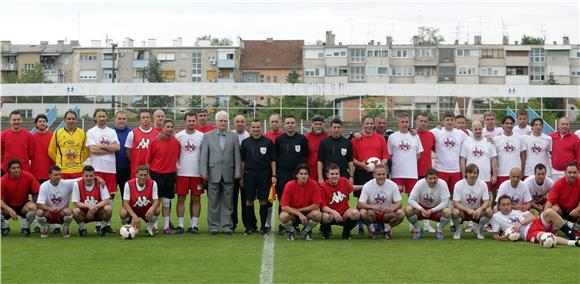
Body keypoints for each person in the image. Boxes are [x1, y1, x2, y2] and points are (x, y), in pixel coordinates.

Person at [200, 111, 241, 235]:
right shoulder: (207, 136)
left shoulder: (233, 136)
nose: (223, 123)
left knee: (228, 202)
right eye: (221, 121)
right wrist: (203, 171)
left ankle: (227, 226)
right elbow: (204, 155)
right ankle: (213, 226)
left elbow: (237, 156)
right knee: (213, 202)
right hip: (213, 173)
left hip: (229, 173)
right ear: (216, 122)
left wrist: (238, 171)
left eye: (225, 121)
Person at [491, 195, 580, 247]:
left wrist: (520, 223)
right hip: (528, 232)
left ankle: (573, 236)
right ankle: (575, 243)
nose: (506, 207)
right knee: (546, 237)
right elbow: (494, 235)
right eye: (503, 205)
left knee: (549, 212)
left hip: (536, 223)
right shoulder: (496, 217)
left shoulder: (517, 211)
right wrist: (501, 238)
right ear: (498, 206)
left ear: (511, 205)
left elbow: (533, 217)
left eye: (508, 204)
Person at [351, 115, 389, 235]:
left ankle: (379, 225)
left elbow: (385, 156)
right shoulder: (355, 139)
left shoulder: (380, 138)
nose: (369, 126)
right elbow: (351, 158)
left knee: (380, 198)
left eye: (371, 123)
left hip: (378, 174)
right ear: (362, 125)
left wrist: (379, 168)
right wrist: (362, 165)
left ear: (374, 124)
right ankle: (362, 226)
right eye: (366, 123)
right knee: (361, 200)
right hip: (361, 172)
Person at [85, 108, 119, 234]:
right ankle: (98, 224)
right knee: (98, 196)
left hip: (111, 168)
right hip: (98, 168)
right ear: (95, 118)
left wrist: (101, 146)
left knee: (110, 195)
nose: (102, 118)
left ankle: (106, 224)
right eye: (99, 116)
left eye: (104, 116)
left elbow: (117, 147)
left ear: (107, 117)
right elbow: (93, 150)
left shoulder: (112, 131)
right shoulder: (91, 132)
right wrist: (109, 149)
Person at [240, 119, 275, 235]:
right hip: (249, 174)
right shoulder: (245, 142)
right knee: (249, 200)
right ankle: (250, 227)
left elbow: (272, 160)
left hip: (264, 174)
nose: (256, 129)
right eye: (253, 127)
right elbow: (243, 161)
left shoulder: (268, 142)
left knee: (263, 200)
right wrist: (241, 177)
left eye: (258, 127)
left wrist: (274, 174)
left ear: (261, 128)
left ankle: (263, 227)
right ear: (250, 128)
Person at [274, 115, 308, 233]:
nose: (290, 125)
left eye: (292, 123)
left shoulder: (302, 139)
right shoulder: (279, 140)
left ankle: (296, 224)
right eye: (288, 123)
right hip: (283, 174)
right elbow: (276, 157)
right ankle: (283, 225)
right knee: (283, 200)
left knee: (297, 200)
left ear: (296, 124)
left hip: (297, 175)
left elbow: (305, 156)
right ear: (284, 125)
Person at [147, 119, 180, 235]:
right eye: (167, 127)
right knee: (156, 203)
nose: (170, 129)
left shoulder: (177, 143)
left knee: (166, 203)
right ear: (162, 128)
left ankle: (166, 227)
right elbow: (148, 161)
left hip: (170, 175)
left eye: (172, 127)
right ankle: (154, 226)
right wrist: (149, 177)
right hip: (156, 174)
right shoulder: (155, 141)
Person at [175, 112, 204, 234]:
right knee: (181, 199)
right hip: (182, 173)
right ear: (185, 121)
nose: (191, 123)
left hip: (197, 174)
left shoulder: (202, 136)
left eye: (193, 121)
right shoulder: (178, 136)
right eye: (189, 121)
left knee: (196, 199)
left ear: (196, 121)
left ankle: (194, 225)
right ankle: (180, 225)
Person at [358, 164, 404, 239]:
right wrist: (372, 207)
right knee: (362, 212)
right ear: (374, 175)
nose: (382, 176)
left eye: (383, 174)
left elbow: (400, 202)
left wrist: (391, 209)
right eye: (379, 174)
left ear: (387, 174)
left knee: (401, 214)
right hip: (372, 214)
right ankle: (371, 229)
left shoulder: (392, 185)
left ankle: (387, 230)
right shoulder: (368, 185)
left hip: (387, 214)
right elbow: (360, 204)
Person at [279, 164, 323, 241]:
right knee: (283, 216)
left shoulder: (314, 184)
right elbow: (284, 206)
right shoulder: (289, 185)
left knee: (318, 214)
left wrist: (300, 211)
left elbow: (316, 205)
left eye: (306, 174)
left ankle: (306, 231)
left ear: (309, 175)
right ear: (297, 175)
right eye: (301, 174)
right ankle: (291, 231)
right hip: (293, 214)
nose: (303, 176)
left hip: (307, 214)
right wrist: (298, 214)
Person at [405, 168, 452, 240]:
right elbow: (410, 200)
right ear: (425, 178)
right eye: (430, 178)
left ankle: (439, 230)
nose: (432, 181)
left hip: (436, 210)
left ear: (438, 177)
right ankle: (418, 229)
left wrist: (432, 210)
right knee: (408, 209)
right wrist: (421, 209)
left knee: (448, 212)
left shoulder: (443, 184)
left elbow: (445, 203)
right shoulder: (420, 183)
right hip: (422, 209)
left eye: (434, 178)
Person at [451, 164, 493, 240]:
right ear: (466, 173)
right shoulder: (459, 184)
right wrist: (467, 210)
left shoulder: (483, 184)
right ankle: (458, 230)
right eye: (470, 172)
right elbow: (456, 203)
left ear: (477, 174)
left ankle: (478, 229)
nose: (472, 175)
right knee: (454, 212)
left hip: (477, 212)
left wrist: (479, 210)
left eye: (474, 173)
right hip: (463, 212)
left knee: (489, 211)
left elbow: (486, 201)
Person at [319, 163, 361, 240]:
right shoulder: (322, 186)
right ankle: (326, 233)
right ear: (327, 175)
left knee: (356, 213)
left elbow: (352, 187)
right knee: (325, 217)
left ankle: (346, 232)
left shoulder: (344, 181)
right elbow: (322, 206)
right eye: (332, 174)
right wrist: (334, 212)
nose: (335, 176)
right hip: (330, 214)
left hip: (344, 213)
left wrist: (365, 186)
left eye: (336, 174)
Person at [35, 165, 78, 238]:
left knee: (69, 211)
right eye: (55, 175)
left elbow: (83, 179)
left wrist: (97, 178)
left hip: (62, 213)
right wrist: (49, 209)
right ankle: (46, 227)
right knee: (39, 212)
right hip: (49, 213)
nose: (58, 177)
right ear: (49, 175)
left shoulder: (66, 183)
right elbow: (39, 204)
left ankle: (66, 227)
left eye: (59, 174)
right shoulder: (44, 186)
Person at [1, 159, 39, 237]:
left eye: (18, 167)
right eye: (14, 168)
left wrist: (36, 204)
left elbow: (36, 192)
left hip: (23, 204)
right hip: (8, 205)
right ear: (9, 169)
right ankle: (4, 227)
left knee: (34, 207)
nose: (16, 170)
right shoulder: (3, 180)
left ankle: (26, 226)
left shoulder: (28, 176)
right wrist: (10, 210)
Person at [71, 165, 112, 237]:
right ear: (82, 176)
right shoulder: (77, 184)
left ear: (94, 176)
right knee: (75, 211)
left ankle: (103, 228)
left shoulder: (100, 183)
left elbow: (107, 200)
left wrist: (95, 207)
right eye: (86, 176)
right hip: (84, 213)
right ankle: (82, 228)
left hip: (98, 212)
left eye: (91, 176)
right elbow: (76, 203)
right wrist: (89, 206)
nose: (89, 178)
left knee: (108, 208)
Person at [120, 165, 160, 237]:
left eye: (145, 175)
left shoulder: (153, 183)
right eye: (141, 175)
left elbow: (156, 200)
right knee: (122, 213)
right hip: (133, 209)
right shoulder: (128, 184)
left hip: (146, 210)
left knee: (157, 210)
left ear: (148, 175)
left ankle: (149, 227)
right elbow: (125, 203)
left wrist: (152, 208)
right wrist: (135, 217)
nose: (143, 177)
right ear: (136, 174)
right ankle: (127, 229)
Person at [388, 112, 423, 194]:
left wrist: (410, 162)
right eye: (402, 122)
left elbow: (418, 154)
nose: (404, 124)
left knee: (412, 199)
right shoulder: (392, 137)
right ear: (398, 123)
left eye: (406, 122)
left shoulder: (415, 136)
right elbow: (389, 155)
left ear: (409, 123)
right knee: (396, 198)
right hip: (397, 174)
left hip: (412, 174)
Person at [48, 110, 90, 179]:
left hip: (78, 170)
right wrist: (60, 160)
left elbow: (87, 151)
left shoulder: (82, 133)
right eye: (69, 119)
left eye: (73, 119)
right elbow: (51, 151)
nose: (71, 121)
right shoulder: (58, 133)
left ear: (76, 120)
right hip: (62, 171)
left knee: (77, 189)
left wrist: (79, 160)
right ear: (64, 120)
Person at [460, 120, 498, 191]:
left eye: (480, 129)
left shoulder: (489, 142)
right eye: (476, 129)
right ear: (472, 130)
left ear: (482, 128)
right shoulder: (466, 143)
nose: (478, 131)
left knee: (486, 200)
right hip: (470, 178)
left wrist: (495, 175)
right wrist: (463, 175)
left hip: (485, 177)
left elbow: (493, 160)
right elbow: (462, 160)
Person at [493, 116, 526, 196]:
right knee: (501, 198)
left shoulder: (519, 138)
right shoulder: (496, 139)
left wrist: (522, 171)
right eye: (507, 123)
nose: (509, 125)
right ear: (503, 125)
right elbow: (494, 158)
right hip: (502, 173)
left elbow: (523, 156)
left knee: (516, 196)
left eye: (511, 123)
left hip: (516, 174)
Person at [415, 113, 436, 233]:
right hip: (414, 171)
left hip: (427, 172)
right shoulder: (412, 134)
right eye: (421, 120)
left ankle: (427, 224)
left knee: (427, 198)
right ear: (416, 121)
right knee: (415, 198)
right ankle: (414, 224)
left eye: (425, 121)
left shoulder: (431, 135)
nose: (423, 123)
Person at [317, 118, 354, 183]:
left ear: (341, 128)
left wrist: (351, 176)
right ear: (331, 128)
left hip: (343, 175)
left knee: (342, 193)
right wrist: (320, 177)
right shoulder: (324, 142)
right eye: (334, 127)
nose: (336, 129)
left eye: (338, 127)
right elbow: (320, 161)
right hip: (328, 176)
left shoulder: (347, 142)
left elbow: (350, 161)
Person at [545, 162, 580, 229]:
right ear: (565, 172)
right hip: (561, 211)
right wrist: (545, 215)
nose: (572, 174)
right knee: (554, 208)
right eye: (569, 172)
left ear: (577, 172)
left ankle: (576, 227)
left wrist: (578, 209)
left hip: (574, 211)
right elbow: (550, 202)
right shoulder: (559, 183)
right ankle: (559, 226)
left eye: (574, 172)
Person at [125, 110, 159, 179]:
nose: (145, 119)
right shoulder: (132, 133)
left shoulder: (157, 134)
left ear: (151, 118)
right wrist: (135, 160)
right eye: (143, 117)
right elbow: (128, 151)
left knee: (151, 188)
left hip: (152, 170)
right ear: (140, 119)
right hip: (136, 169)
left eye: (147, 117)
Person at [232, 114, 249, 232]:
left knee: (246, 200)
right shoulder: (229, 136)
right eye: (237, 121)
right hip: (231, 173)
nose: (239, 123)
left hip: (246, 174)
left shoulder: (250, 136)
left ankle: (248, 225)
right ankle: (232, 224)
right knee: (232, 201)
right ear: (234, 123)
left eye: (242, 121)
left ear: (245, 123)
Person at [30, 114, 54, 184]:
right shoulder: (31, 137)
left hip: (50, 172)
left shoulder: (53, 137)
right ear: (36, 124)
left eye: (44, 121)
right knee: (37, 194)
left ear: (47, 124)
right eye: (40, 121)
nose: (42, 123)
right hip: (36, 173)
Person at [113, 111, 132, 199]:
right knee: (109, 198)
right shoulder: (110, 132)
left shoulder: (132, 133)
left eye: (124, 119)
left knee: (126, 198)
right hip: (111, 170)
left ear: (127, 120)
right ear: (115, 120)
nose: (121, 121)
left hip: (127, 171)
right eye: (119, 118)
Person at [304, 116, 329, 182]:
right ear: (312, 125)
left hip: (326, 169)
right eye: (316, 124)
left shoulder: (328, 136)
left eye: (320, 124)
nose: (318, 126)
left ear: (323, 125)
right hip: (311, 169)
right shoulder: (306, 137)